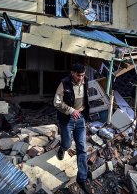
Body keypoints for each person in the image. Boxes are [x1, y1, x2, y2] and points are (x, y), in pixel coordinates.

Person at [54, 63, 91, 193]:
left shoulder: (85, 81)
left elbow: (85, 99)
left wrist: (83, 114)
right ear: (73, 73)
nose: (81, 78)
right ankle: (63, 148)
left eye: (83, 75)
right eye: (79, 75)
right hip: (66, 119)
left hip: (80, 118)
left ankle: (82, 178)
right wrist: (70, 110)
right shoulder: (64, 83)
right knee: (68, 143)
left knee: (82, 148)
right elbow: (57, 102)